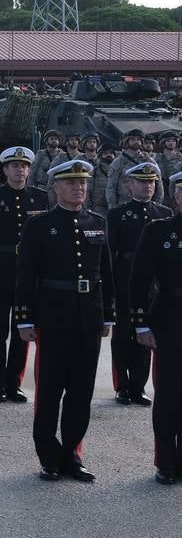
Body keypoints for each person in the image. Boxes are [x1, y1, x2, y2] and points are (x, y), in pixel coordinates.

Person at [15, 158, 113, 482]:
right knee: (50, 390)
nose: (78, 187)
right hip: (54, 317)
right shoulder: (40, 225)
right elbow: (26, 275)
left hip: (89, 316)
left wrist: (108, 315)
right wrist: (24, 318)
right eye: (71, 182)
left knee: (81, 391)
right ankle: (48, 456)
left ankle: (72, 453)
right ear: (55, 187)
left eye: (83, 182)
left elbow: (106, 274)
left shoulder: (97, 221)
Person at [0, 146, 45, 403]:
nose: (19, 170)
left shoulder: (40, 198)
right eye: (14, 166)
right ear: (4, 170)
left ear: (29, 170)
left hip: (28, 271)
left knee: (22, 328)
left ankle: (14, 383)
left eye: (23, 166)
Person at [129, 169, 182, 484]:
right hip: (170, 320)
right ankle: (166, 461)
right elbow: (139, 280)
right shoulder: (158, 231)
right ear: (175, 195)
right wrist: (140, 324)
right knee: (167, 395)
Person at [107, 162, 171, 406]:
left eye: (152, 182)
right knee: (123, 336)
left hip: (154, 285)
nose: (148, 186)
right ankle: (121, 385)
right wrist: (111, 289)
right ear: (129, 185)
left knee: (146, 337)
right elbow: (111, 255)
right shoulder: (117, 215)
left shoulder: (163, 214)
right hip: (125, 281)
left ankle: (138, 386)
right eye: (142, 182)